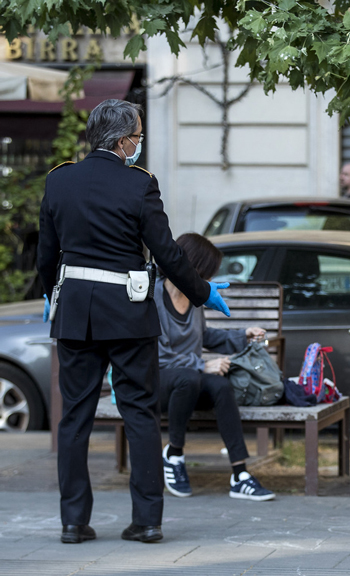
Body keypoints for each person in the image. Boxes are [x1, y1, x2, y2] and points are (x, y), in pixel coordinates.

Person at [38, 99, 230, 545]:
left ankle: (73, 522)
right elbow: (168, 254)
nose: (139, 144)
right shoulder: (139, 184)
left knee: (74, 419)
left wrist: (51, 293)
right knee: (140, 414)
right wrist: (202, 292)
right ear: (124, 140)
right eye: (139, 136)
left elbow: (47, 253)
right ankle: (146, 521)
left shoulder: (59, 180)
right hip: (128, 312)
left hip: (76, 314)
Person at [156, 233, 275, 502]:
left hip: (190, 380)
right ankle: (174, 453)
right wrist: (203, 364)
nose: (208, 281)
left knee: (220, 385)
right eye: (207, 274)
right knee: (189, 377)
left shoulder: (194, 298)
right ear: (192, 267)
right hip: (158, 383)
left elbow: (205, 336)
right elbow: (158, 355)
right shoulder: (154, 296)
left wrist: (242, 335)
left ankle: (240, 475)